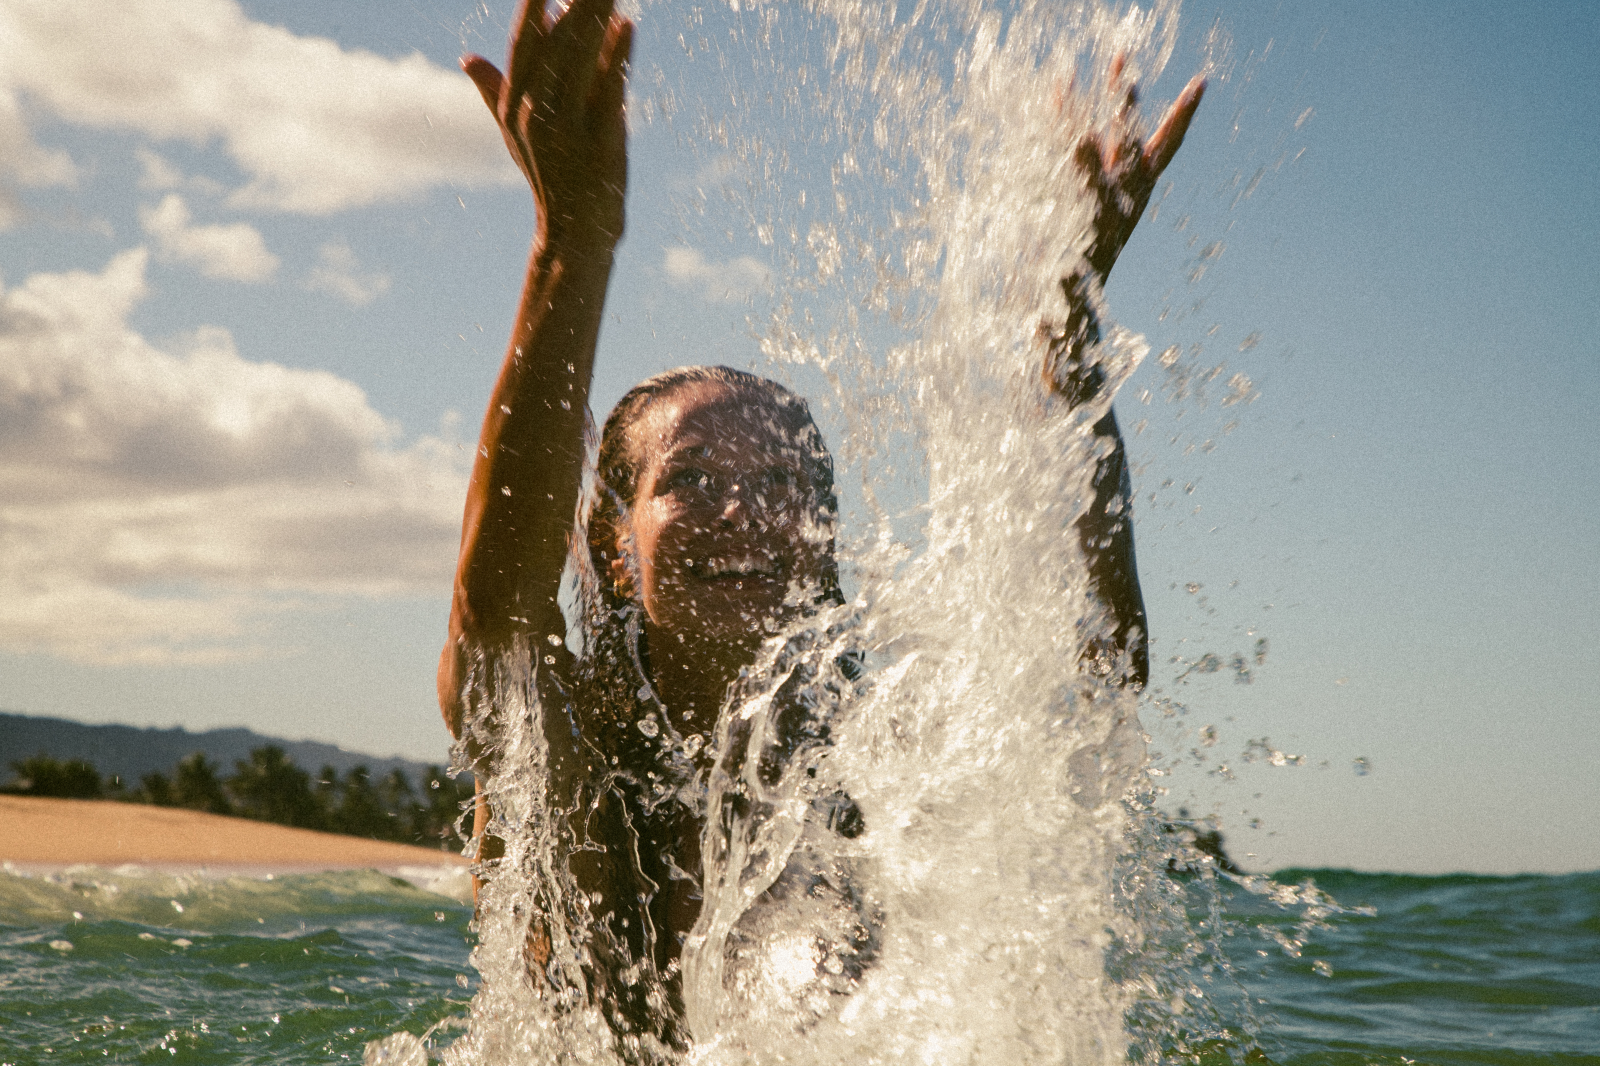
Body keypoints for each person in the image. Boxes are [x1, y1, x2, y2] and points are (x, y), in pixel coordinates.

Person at [437, 0, 1203, 1051]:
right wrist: (572, 239)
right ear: (614, 545)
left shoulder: (875, 750)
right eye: (693, 476)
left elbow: (1096, 675)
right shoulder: (563, 737)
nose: (747, 510)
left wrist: (1067, 335)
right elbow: (494, 617)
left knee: (813, 935)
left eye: (789, 483)